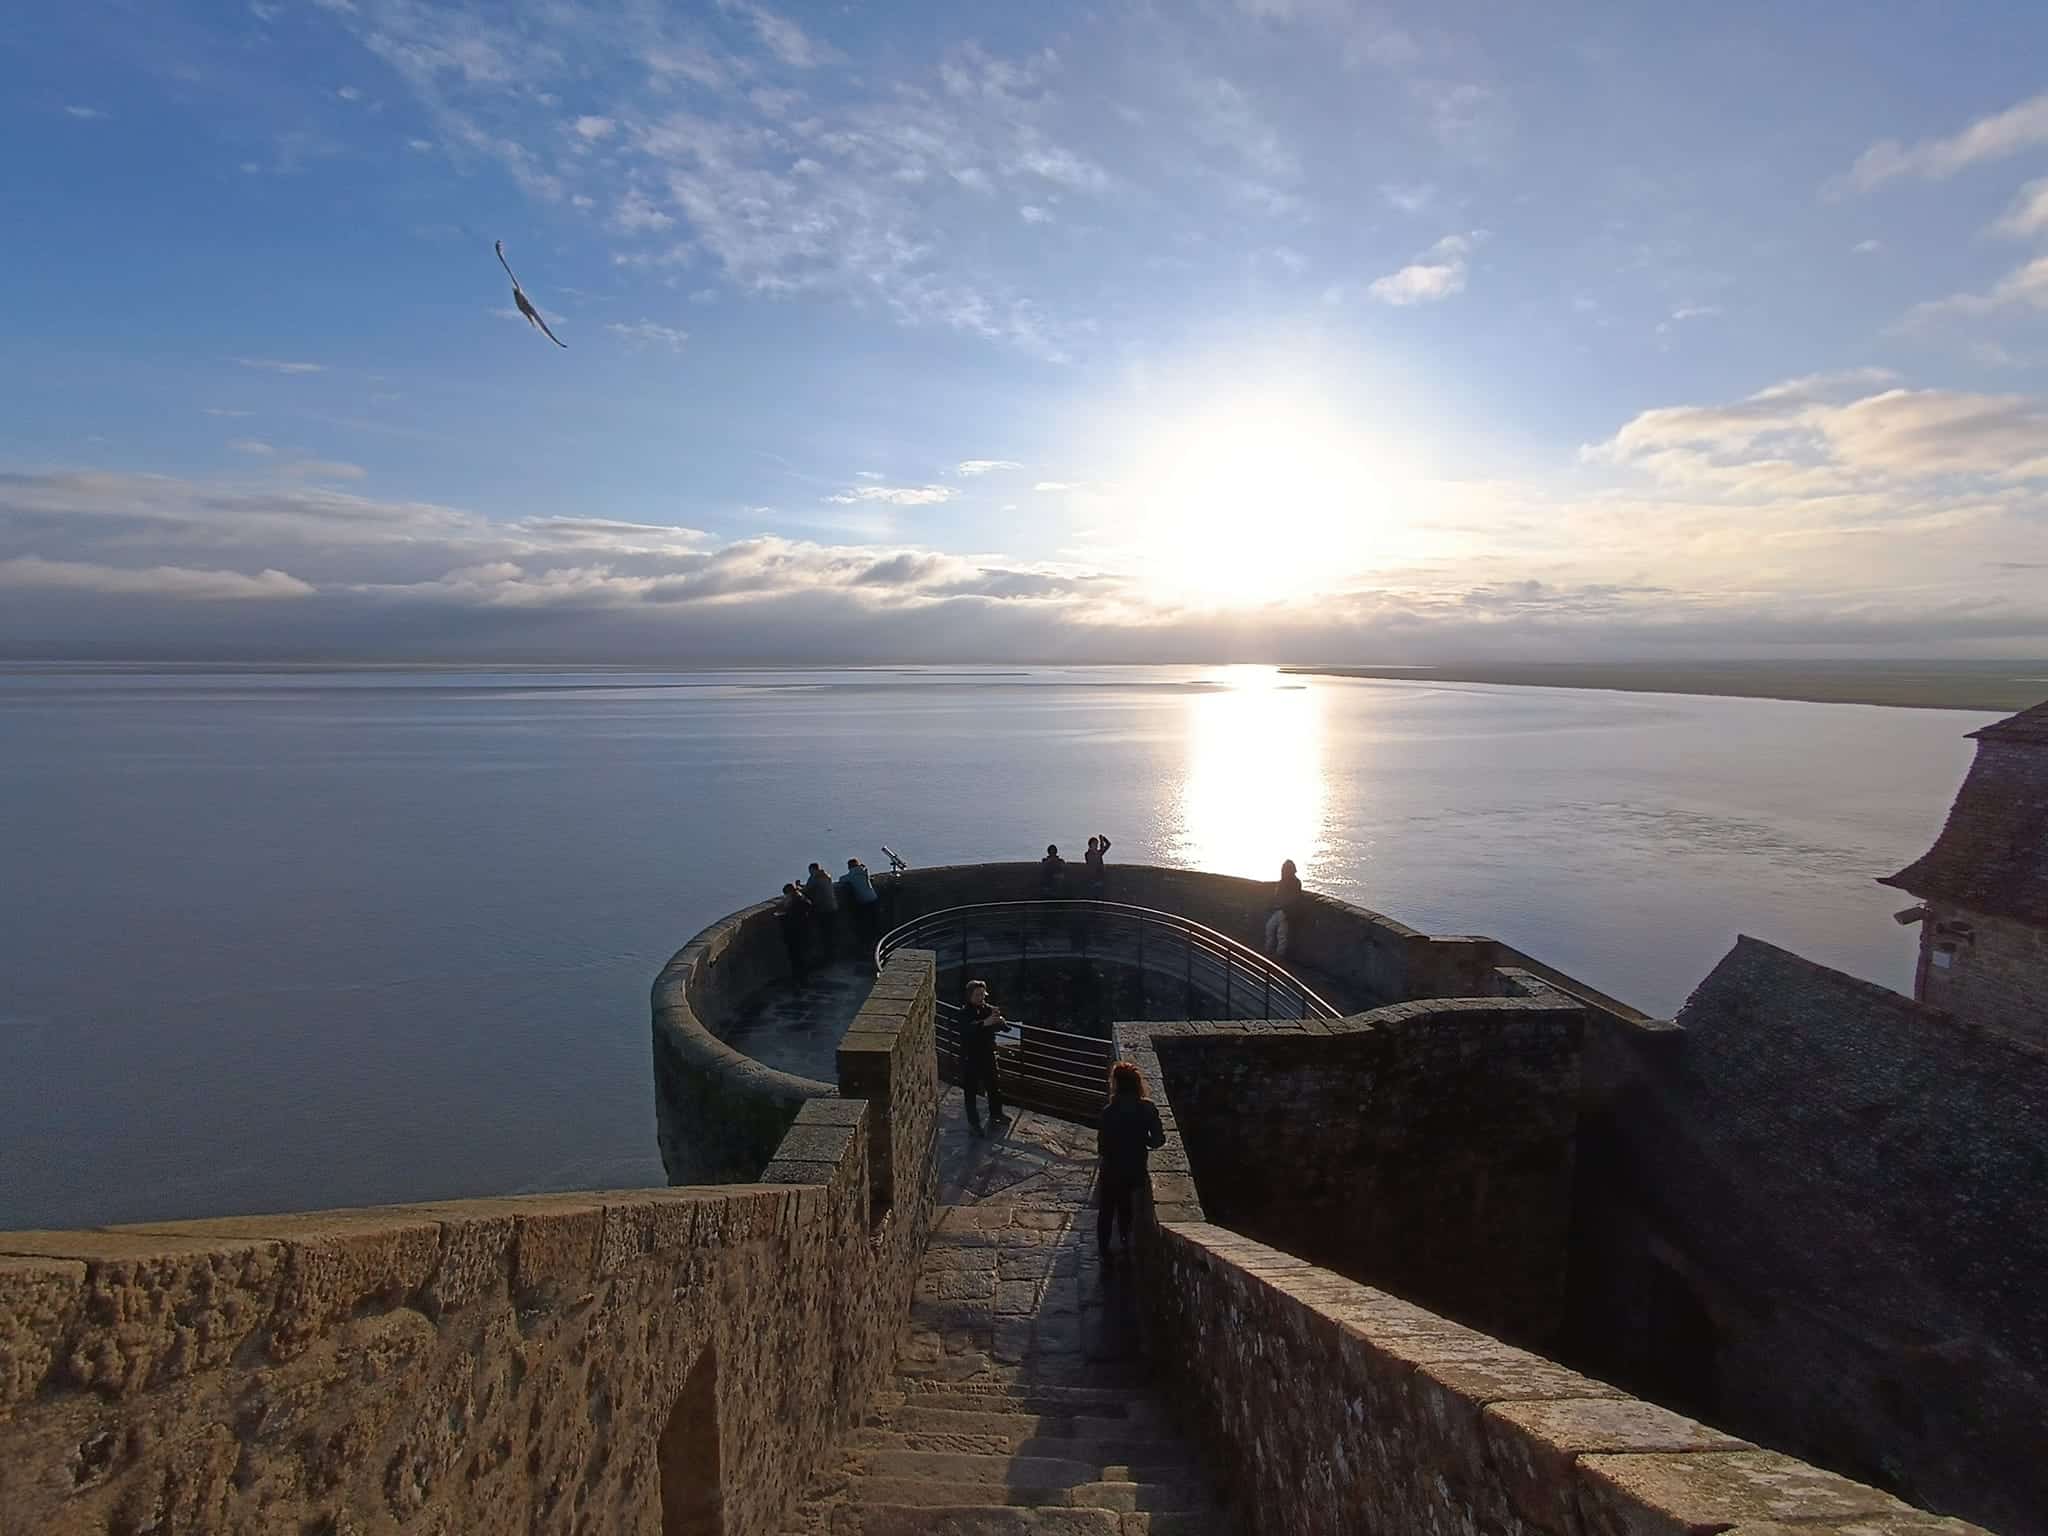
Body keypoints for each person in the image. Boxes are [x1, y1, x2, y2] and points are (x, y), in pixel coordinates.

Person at [1096, 1060, 1166, 1263]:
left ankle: (1104, 1250)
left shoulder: (1109, 1112)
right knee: (1126, 1207)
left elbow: (1102, 1147)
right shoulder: (1147, 1108)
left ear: (1116, 1083)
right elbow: (1158, 1140)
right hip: (1134, 1166)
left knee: (1106, 1210)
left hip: (1111, 1168)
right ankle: (1126, 1244)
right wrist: (1141, 1139)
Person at [960, 978, 1009, 1136]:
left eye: (982, 994)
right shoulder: (964, 1013)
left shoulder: (988, 1009)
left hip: (988, 1054)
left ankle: (997, 1114)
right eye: (977, 995)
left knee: (994, 1087)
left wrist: (1001, 1021)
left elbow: (1004, 1029)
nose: (981, 998)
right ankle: (974, 1123)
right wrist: (984, 1024)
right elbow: (967, 1029)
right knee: (971, 1091)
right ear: (970, 996)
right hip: (971, 1057)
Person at [840, 856, 881, 954]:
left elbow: (842, 879)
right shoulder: (864, 871)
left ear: (850, 866)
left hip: (865, 902)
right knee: (875, 923)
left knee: (866, 925)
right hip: (873, 898)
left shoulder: (852, 875)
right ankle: (877, 944)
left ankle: (868, 947)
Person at [1263, 858, 1303, 959]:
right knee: (1270, 927)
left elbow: (1294, 899)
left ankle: (1279, 954)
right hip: (1280, 910)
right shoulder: (1284, 882)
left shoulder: (1295, 883)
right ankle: (1269, 950)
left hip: (1287, 912)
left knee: (1281, 933)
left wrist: (1282, 905)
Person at [778, 881, 815, 981]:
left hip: (795, 932)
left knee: (797, 956)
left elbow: (792, 915)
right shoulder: (802, 898)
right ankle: (804, 977)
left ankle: (799, 979)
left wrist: (783, 914)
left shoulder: (794, 901)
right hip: (803, 930)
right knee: (803, 955)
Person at [804, 861, 839, 960]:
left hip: (823, 908)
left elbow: (807, 890)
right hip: (833, 906)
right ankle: (834, 954)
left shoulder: (814, 878)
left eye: (810, 871)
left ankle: (828, 956)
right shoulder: (827, 876)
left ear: (813, 870)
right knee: (832, 932)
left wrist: (798, 887)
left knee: (825, 934)